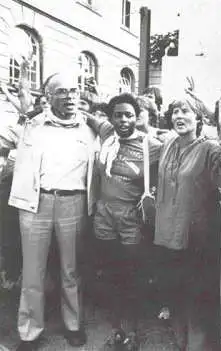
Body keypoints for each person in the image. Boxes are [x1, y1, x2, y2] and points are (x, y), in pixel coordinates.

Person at [0, 72, 98, 351]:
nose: (70, 96)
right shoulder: (31, 125)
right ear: (48, 97)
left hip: (75, 203)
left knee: (71, 269)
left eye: (74, 91)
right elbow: (3, 141)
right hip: (35, 203)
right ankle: (30, 332)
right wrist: (22, 112)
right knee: (33, 271)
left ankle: (73, 324)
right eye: (63, 92)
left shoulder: (89, 128)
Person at [154, 89, 221, 350]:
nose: (179, 116)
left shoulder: (209, 148)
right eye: (175, 111)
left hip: (197, 242)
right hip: (167, 238)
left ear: (199, 118)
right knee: (177, 301)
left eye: (186, 111)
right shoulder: (168, 143)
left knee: (196, 306)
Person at [86, 93, 164, 351]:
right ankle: (118, 328)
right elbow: (87, 116)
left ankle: (131, 331)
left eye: (129, 115)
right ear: (111, 117)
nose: (123, 120)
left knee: (131, 274)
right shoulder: (108, 132)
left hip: (130, 218)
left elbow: (177, 147)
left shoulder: (150, 145)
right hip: (103, 215)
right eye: (118, 114)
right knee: (110, 272)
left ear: (137, 117)